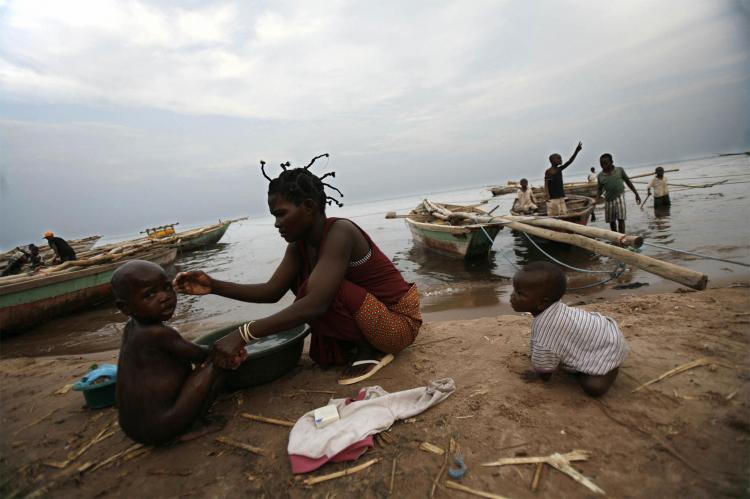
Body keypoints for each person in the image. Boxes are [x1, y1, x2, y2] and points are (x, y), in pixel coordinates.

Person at [173, 155, 422, 385]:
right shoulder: (298, 245)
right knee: (306, 283)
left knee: (322, 290)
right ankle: (360, 344)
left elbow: (316, 304)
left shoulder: (341, 232)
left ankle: (372, 351)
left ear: (309, 207)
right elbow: (272, 291)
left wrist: (243, 334)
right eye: (274, 216)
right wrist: (214, 286)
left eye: (281, 214)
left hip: (398, 326)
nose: (276, 224)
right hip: (373, 319)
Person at [112, 260, 231, 445]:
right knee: (219, 361)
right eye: (149, 295)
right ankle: (192, 426)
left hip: (135, 429)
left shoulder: (132, 328)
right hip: (162, 427)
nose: (164, 297)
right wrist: (230, 348)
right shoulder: (158, 333)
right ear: (125, 308)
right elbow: (202, 355)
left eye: (166, 288)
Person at [510, 261, 628, 397]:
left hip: (609, 347)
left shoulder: (548, 327)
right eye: (514, 290)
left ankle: (610, 368)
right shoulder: (552, 308)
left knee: (593, 388)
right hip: (603, 335)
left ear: (542, 302)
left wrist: (540, 374)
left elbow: (545, 366)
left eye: (519, 293)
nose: (512, 296)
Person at [596, 153, 641, 234]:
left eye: (606, 163)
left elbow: (628, 182)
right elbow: (599, 189)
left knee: (621, 219)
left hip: (619, 197)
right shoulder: (600, 176)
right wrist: (596, 200)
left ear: (612, 162)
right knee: (611, 221)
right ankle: (615, 238)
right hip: (609, 200)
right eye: (601, 164)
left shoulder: (619, 170)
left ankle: (622, 237)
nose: (603, 165)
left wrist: (636, 194)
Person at [544, 141, 583, 216]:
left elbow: (570, 161)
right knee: (554, 215)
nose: (561, 160)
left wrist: (576, 151)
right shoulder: (548, 172)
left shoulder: (559, 169)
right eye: (558, 158)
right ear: (552, 161)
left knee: (563, 214)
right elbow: (546, 184)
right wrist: (547, 195)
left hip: (561, 196)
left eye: (560, 158)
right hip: (552, 198)